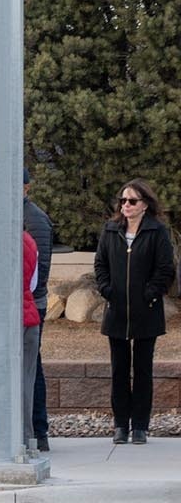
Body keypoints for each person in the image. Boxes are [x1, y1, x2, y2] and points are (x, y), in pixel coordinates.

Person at [94, 179, 175, 446]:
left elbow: (165, 270)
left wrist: (149, 294)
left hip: (146, 312)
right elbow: (101, 264)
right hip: (116, 311)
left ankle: (140, 426)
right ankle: (120, 425)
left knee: (142, 370)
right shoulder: (110, 230)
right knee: (119, 370)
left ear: (144, 205)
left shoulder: (157, 232)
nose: (126, 205)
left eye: (132, 201)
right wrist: (107, 290)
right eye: (123, 201)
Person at [23, 171, 54, 452]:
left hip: (30, 305)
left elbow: (39, 269)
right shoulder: (11, 213)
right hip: (22, 305)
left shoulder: (34, 219)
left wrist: (26, 299)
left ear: (26, 187)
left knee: (33, 369)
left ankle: (38, 430)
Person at [20, 231, 42, 454]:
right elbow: (33, 284)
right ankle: (26, 437)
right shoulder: (28, 240)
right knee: (26, 382)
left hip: (4, 322)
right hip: (29, 316)